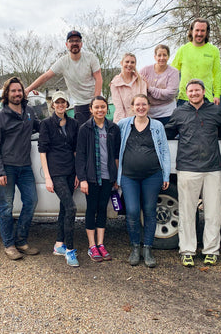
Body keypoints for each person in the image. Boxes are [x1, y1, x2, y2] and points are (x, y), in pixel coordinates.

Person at [165, 79, 221, 267]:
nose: (194, 93)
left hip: (212, 168)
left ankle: (211, 250)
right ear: (186, 94)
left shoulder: (215, 111)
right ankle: (187, 250)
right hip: (187, 168)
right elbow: (167, 133)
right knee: (186, 212)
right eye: (190, 91)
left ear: (203, 92)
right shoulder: (179, 112)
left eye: (197, 90)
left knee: (213, 212)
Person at [0, 77, 41, 260]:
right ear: (7, 94)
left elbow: (41, 128)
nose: (17, 93)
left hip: (25, 167)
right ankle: (9, 245)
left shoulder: (29, 112)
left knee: (31, 201)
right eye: (13, 91)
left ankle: (21, 241)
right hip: (7, 169)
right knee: (6, 208)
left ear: (23, 92)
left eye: (19, 90)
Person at [117, 94, 170, 267]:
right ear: (132, 107)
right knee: (132, 211)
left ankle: (147, 249)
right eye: (137, 104)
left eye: (144, 104)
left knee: (149, 211)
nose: (140, 107)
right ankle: (134, 248)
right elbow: (115, 149)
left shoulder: (157, 126)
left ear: (148, 106)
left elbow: (164, 152)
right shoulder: (123, 125)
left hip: (152, 175)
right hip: (128, 176)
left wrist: (166, 174)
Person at [75, 96, 121, 262]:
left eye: (103, 107)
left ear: (106, 109)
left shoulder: (113, 129)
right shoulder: (85, 129)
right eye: (97, 107)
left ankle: (101, 244)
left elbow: (116, 155)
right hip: (91, 177)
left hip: (108, 176)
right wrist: (83, 179)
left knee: (103, 209)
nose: (100, 110)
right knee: (91, 209)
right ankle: (92, 246)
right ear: (91, 109)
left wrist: (115, 176)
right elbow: (79, 155)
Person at [38, 91, 80, 267]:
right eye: (57, 102)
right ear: (53, 105)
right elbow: (42, 151)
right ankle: (70, 250)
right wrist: (48, 177)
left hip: (71, 171)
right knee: (71, 208)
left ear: (67, 105)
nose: (61, 105)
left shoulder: (74, 123)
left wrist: (78, 173)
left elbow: (76, 149)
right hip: (56, 173)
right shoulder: (46, 124)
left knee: (64, 208)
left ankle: (58, 244)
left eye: (63, 102)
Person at [25, 30, 102, 125]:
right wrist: (28, 89)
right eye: (71, 41)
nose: (74, 43)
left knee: (99, 132)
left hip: (95, 101)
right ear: (67, 44)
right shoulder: (63, 62)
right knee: (82, 135)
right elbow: (46, 76)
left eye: (77, 41)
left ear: (81, 44)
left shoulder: (91, 58)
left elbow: (98, 79)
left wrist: (96, 102)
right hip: (79, 104)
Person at [171, 19, 221, 105]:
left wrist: (217, 94)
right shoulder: (183, 50)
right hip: (184, 99)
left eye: (203, 31)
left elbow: (217, 74)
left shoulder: (214, 50)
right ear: (191, 31)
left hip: (206, 99)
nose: (199, 33)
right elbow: (172, 72)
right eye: (197, 30)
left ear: (207, 32)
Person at [139, 44, 180, 125]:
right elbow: (138, 88)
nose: (162, 58)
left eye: (164, 55)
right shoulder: (145, 71)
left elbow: (170, 94)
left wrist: (150, 88)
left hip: (167, 113)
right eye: (159, 55)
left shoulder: (173, 72)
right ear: (155, 57)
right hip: (148, 113)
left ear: (168, 56)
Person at [110, 53, 147, 123]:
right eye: (127, 62)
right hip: (122, 120)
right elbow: (119, 108)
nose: (129, 64)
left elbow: (143, 102)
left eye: (132, 62)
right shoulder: (115, 83)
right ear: (121, 63)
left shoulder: (141, 80)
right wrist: (125, 124)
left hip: (140, 120)